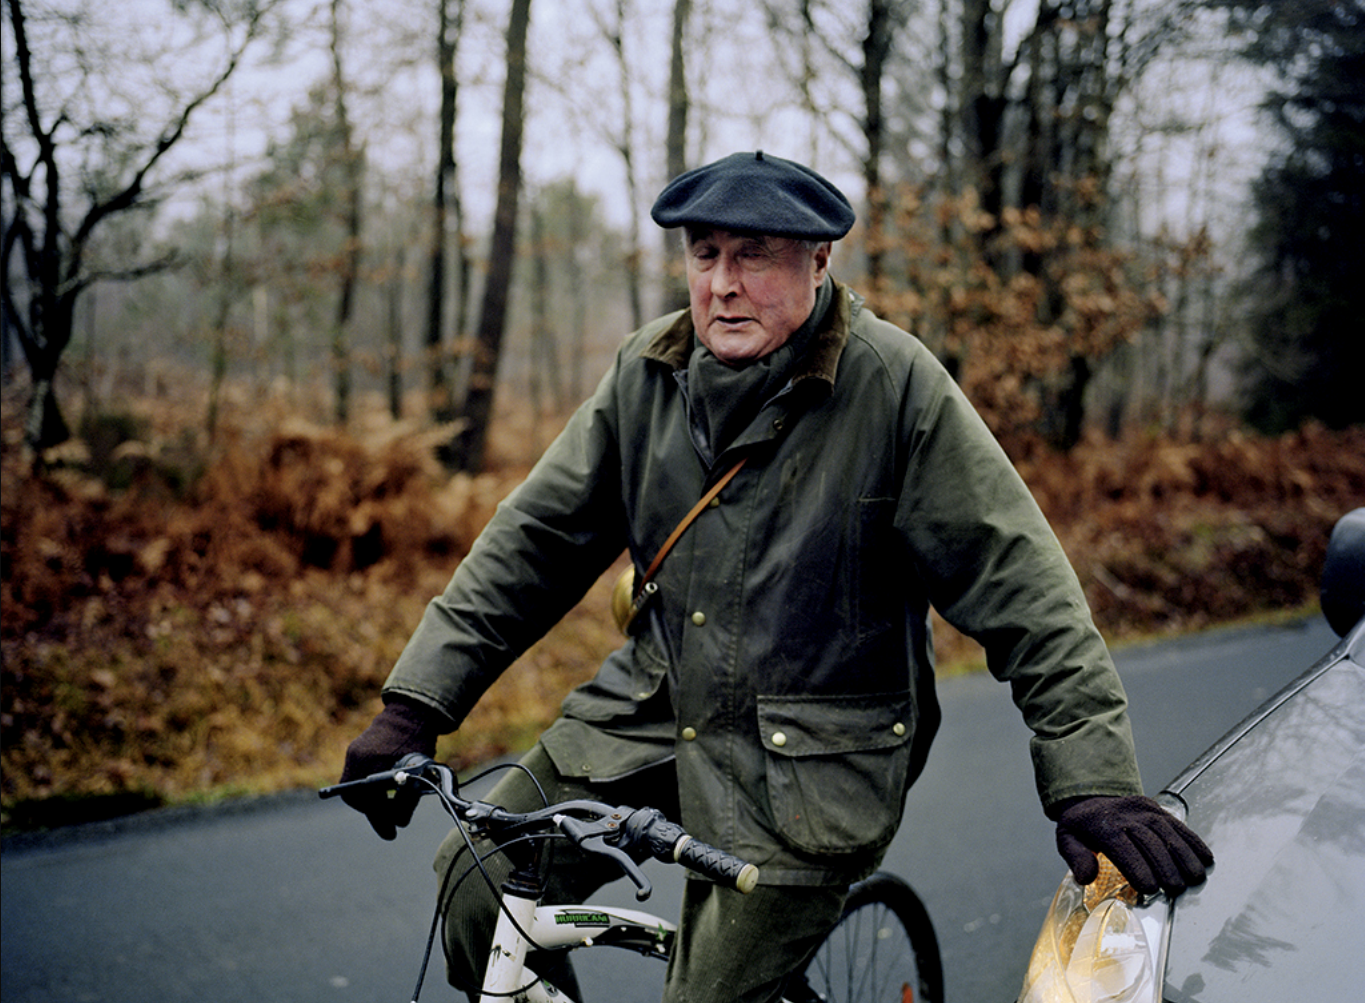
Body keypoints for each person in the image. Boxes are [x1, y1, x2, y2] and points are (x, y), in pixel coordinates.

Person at [339, 151, 1213, 1002]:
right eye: (705, 254)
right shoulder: (647, 371)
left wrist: (1092, 780)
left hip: (810, 759)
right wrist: (416, 704)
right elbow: (532, 541)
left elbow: (1027, 593)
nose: (722, 282)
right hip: (649, 711)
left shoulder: (893, 386)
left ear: (819, 259)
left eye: (753, 256)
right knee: (473, 879)